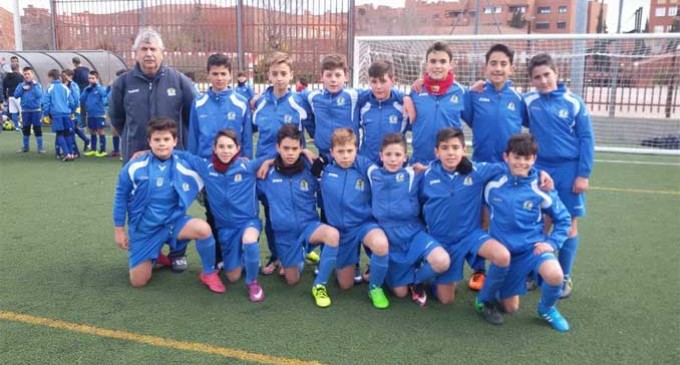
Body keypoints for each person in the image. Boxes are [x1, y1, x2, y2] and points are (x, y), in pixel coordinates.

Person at [113, 117, 224, 293]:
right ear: (149, 142)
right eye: (157, 140)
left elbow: (215, 168)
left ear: (175, 141)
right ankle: (156, 256)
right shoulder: (134, 167)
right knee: (138, 282)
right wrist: (119, 230)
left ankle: (209, 273)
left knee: (203, 229)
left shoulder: (185, 164)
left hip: (173, 223)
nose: (162, 144)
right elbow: (120, 197)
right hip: (145, 229)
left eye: (166, 139)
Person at [481, 133, 572, 332]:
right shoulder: (492, 184)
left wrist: (552, 243)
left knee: (556, 275)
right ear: (506, 157)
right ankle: (495, 288)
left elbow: (564, 219)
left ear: (534, 160)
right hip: (506, 255)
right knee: (510, 308)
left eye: (527, 158)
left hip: (532, 249)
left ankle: (547, 309)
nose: (521, 163)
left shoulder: (541, 187)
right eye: (517, 157)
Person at [524, 53, 594, 298]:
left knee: (569, 223)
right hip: (540, 170)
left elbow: (586, 139)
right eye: (537, 77)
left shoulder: (573, 102)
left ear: (556, 73)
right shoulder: (529, 101)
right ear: (531, 80)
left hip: (568, 170)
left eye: (546, 75)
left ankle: (563, 276)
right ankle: (535, 271)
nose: (543, 81)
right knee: (539, 222)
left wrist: (583, 174)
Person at [460, 43, 529, 291]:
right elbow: (468, 118)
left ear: (511, 68)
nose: (498, 68)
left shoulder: (519, 99)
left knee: (508, 217)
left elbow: (528, 128)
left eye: (503, 64)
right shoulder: (475, 95)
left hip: (509, 170)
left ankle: (509, 266)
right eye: (493, 63)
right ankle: (479, 270)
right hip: (480, 167)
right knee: (480, 219)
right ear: (485, 67)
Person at [419, 127, 510, 307]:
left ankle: (485, 299)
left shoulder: (477, 171)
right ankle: (431, 277)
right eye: (445, 148)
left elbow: (512, 167)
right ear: (436, 152)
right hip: (442, 241)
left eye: (455, 147)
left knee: (502, 256)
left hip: (470, 235)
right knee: (446, 300)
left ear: (464, 150)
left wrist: (539, 174)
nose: (450, 153)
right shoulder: (425, 176)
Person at [177, 130, 267, 302]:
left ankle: (253, 283)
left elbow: (274, 156)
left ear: (237, 149)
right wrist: (147, 151)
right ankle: (243, 259)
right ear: (214, 149)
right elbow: (184, 156)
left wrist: (305, 151)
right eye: (221, 146)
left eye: (230, 147)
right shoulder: (206, 167)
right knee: (232, 276)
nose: (226, 150)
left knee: (249, 240)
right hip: (225, 229)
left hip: (248, 222)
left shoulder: (247, 167)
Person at [257, 124, 340, 308]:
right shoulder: (266, 173)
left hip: (308, 227)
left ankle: (319, 285)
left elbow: (334, 169)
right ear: (277, 148)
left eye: (295, 148)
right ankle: (301, 254)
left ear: (301, 147)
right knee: (291, 280)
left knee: (332, 235)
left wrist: (318, 160)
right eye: (285, 148)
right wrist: (268, 162)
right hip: (285, 236)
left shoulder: (310, 169)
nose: (290, 153)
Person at [186, 53, 253, 270]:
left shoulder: (240, 103)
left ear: (231, 75)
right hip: (209, 170)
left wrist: (246, 162)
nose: (219, 78)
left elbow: (247, 138)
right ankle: (216, 258)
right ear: (208, 75)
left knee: (235, 211)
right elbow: (193, 139)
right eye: (215, 74)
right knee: (212, 213)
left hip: (234, 170)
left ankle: (236, 255)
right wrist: (195, 172)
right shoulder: (199, 103)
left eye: (223, 74)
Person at [368, 132, 450, 307]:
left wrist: (427, 166)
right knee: (399, 293)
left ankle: (416, 280)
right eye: (388, 154)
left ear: (405, 157)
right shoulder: (372, 173)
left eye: (398, 155)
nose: (393, 159)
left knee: (442, 261)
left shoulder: (414, 174)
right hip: (390, 239)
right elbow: (349, 158)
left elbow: (439, 169)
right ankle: (394, 274)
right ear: (381, 156)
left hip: (414, 234)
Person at [251, 52, 313, 276]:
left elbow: (312, 131)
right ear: (268, 75)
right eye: (275, 73)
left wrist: (305, 149)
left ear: (291, 76)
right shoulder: (258, 103)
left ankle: (299, 251)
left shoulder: (300, 103)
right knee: (271, 215)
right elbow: (249, 131)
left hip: (292, 169)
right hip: (266, 171)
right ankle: (276, 256)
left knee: (295, 212)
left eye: (283, 74)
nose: (279, 78)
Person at [315, 128, 390, 309]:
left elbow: (380, 174)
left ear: (356, 150)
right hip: (341, 233)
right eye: (340, 152)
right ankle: (344, 263)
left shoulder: (365, 166)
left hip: (364, 225)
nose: (346, 156)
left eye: (350, 151)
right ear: (332, 152)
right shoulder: (324, 172)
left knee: (381, 244)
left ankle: (375, 287)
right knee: (345, 285)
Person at [108, 27, 195, 163]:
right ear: (135, 54)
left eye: (153, 49)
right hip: (136, 155)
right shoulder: (123, 83)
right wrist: (134, 137)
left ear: (162, 53)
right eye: (144, 49)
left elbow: (192, 116)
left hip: (173, 156)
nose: (149, 54)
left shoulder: (178, 80)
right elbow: (117, 118)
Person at [409, 41, 467, 172]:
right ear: (426, 65)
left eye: (442, 61)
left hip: (449, 165)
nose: (437, 66)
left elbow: (475, 119)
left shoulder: (461, 92)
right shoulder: (416, 91)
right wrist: (405, 98)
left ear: (450, 65)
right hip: (419, 164)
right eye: (433, 61)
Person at [358, 60, 408, 164]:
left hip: (394, 166)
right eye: (374, 82)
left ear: (393, 81)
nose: (378, 86)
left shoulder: (404, 105)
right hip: (367, 166)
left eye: (383, 81)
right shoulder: (362, 103)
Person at [42, 68, 77, 161]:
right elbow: (72, 102)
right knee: (68, 134)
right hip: (67, 114)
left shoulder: (49, 88)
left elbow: (46, 103)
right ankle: (72, 153)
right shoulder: (65, 87)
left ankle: (66, 154)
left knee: (60, 134)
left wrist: (46, 114)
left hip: (56, 115)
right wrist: (71, 111)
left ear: (51, 77)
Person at [14, 67, 44, 154]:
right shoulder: (21, 85)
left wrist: (33, 86)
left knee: (37, 129)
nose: (27, 76)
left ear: (32, 74)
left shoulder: (37, 85)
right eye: (25, 74)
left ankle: (40, 148)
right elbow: (16, 95)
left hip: (36, 111)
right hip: (25, 111)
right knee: (25, 129)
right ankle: (26, 147)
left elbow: (39, 95)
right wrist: (23, 89)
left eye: (28, 74)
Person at [61, 68, 90, 156]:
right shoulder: (65, 85)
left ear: (70, 76)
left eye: (65, 76)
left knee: (71, 130)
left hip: (73, 111)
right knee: (74, 128)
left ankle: (75, 151)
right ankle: (86, 140)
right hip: (68, 110)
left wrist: (72, 110)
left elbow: (76, 99)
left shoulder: (73, 85)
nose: (63, 78)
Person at [81, 70, 109, 157]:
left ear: (97, 79)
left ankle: (102, 150)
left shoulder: (100, 88)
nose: (90, 80)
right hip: (90, 114)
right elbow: (81, 99)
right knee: (92, 131)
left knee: (100, 131)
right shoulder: (87, 89)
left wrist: (97, 85)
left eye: (93, 78)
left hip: (99, 114)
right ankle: (93, 149)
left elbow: (104, 94)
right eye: (89, 78)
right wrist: (86, 91)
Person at [106, 69, 127, 158]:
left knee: (125, 133)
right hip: (114, 113)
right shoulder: (115, 87)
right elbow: (107, 97)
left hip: (126, 113)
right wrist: (108, 87)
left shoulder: (129, 87)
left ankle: (125, 152)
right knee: (115, 132)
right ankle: (116, 150)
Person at [3, 62, 24, 130]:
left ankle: (17, 126)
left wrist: (6, 97)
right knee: (22, 111)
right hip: (18, 96)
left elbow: (4, 88)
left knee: (13, 112)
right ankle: (24, 125)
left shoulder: (6, 77)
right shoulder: (20, 76)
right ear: (17, 68)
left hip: (10, 96)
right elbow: (23, 86)